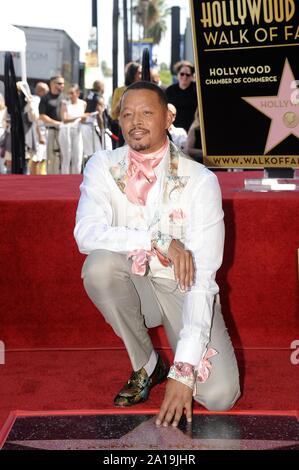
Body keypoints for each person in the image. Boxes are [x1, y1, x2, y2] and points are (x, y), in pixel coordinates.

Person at [74, 81, 240, 427]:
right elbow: (86, 234)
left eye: (147, 113)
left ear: (169, 117)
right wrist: (158, 239)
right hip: (134, 284)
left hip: (183, 288)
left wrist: (183, 372)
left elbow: (203, 280)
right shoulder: (102, 165)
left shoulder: (200, 181)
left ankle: (172, 364)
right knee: (99, 268)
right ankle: (147, 365)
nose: (136, 121)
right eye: (127, 114)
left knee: (221, 396)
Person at [39, 76, 65, 174]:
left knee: (63, 156)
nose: (62, 86)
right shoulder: (45, 98)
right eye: (59, 83)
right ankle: (50, 178)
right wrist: (56, 123)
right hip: (50, 130)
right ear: (52, 84)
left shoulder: (65, 97)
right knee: (51, 156)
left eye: (62, 83)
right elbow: (42, 116)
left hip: (64, 131)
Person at [59, 84, 86, 174]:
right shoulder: (65, 103)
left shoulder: (83, 103)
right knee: (66, 157)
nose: (70, 95)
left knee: (78, 156)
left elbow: (83, 119)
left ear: (78, 93)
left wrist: (83, 118)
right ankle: (64, 179)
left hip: (78, 131)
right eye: (68, 93)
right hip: (65, 131)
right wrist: (80, 117)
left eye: (72, 93)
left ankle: (76, 180)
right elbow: (65, 119)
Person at [166, 61, 198, 133]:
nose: (184, 77)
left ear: (192, 76)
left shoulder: (197, 90)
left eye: (188, 75)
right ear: (177, 75)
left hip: (192, 130)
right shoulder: (170, 90)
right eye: (182, 74)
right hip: (174, 131)